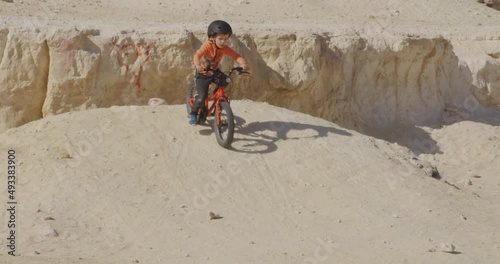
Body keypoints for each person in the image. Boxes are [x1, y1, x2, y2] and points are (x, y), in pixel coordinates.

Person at [189, 20, 249, 125]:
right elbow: (197, 55)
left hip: (214, 71)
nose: (223, 42)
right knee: (201, 97)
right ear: (212, 38)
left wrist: (243, 64)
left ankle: (218, 99)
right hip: (203, 73)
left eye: (225, 39)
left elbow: (236, 56)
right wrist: (198, 65)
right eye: (220, 39)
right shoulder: (207, 46)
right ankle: (193, 113)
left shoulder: (224, 48)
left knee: (226, 80)